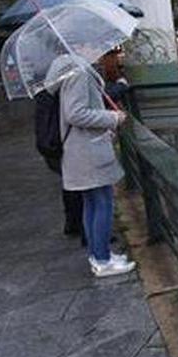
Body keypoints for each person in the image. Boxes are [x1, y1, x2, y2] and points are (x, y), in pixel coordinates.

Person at [48, 53, 135, 277]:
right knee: (103, 201)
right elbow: (76, 113)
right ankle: (103, 260)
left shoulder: (69, 69)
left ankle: (99, 254)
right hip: (87, 150)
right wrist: (112, 118)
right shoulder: (78, 72)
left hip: (81, 150)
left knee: (92, 203)